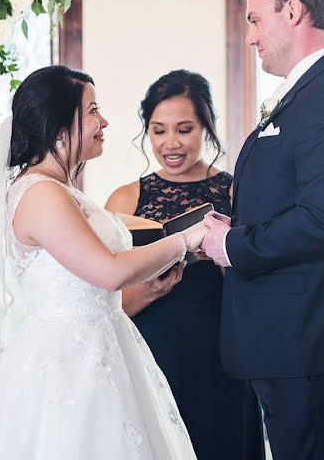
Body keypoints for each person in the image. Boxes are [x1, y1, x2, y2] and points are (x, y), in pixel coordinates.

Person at [0, 65, 206, 459]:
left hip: (106, 349)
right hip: (67, 367)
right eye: (93, 110)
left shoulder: (63, 190)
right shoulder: (40, 193)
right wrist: (185, 239)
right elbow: (110, 271)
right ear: (59, 124)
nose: (104, 121)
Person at [199, 0, 324, 460]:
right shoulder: (312, 93)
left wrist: (231, 245)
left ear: (294, 11)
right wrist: (236, 227)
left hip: (315, 343)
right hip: (294, 343)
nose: (251, 36)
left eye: (257, 19)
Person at [105, 70, 264, 460]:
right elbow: (103, 304)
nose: (170, 143)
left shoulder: (234, 191)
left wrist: (226, 259)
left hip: (221, 357)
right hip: (151, 358)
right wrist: (150, 289)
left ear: (206, 127)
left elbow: (264, 283)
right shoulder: (125, 200)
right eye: (158, 131)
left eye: (184, 129)